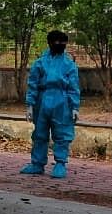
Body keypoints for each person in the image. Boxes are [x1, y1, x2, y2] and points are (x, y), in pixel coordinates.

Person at [21, 30, 81, 179]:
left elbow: (73, 87)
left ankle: (60, 163)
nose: (60, 45)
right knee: (40, 133)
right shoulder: (40, 63)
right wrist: (29, 104)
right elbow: (33, 84)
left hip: (62, 102)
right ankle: (37, 164)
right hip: (42, 101)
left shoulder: (69, 64)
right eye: (57, 42)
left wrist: (74, 107)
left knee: (62, 134)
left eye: (63, 42)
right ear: (49, 43)